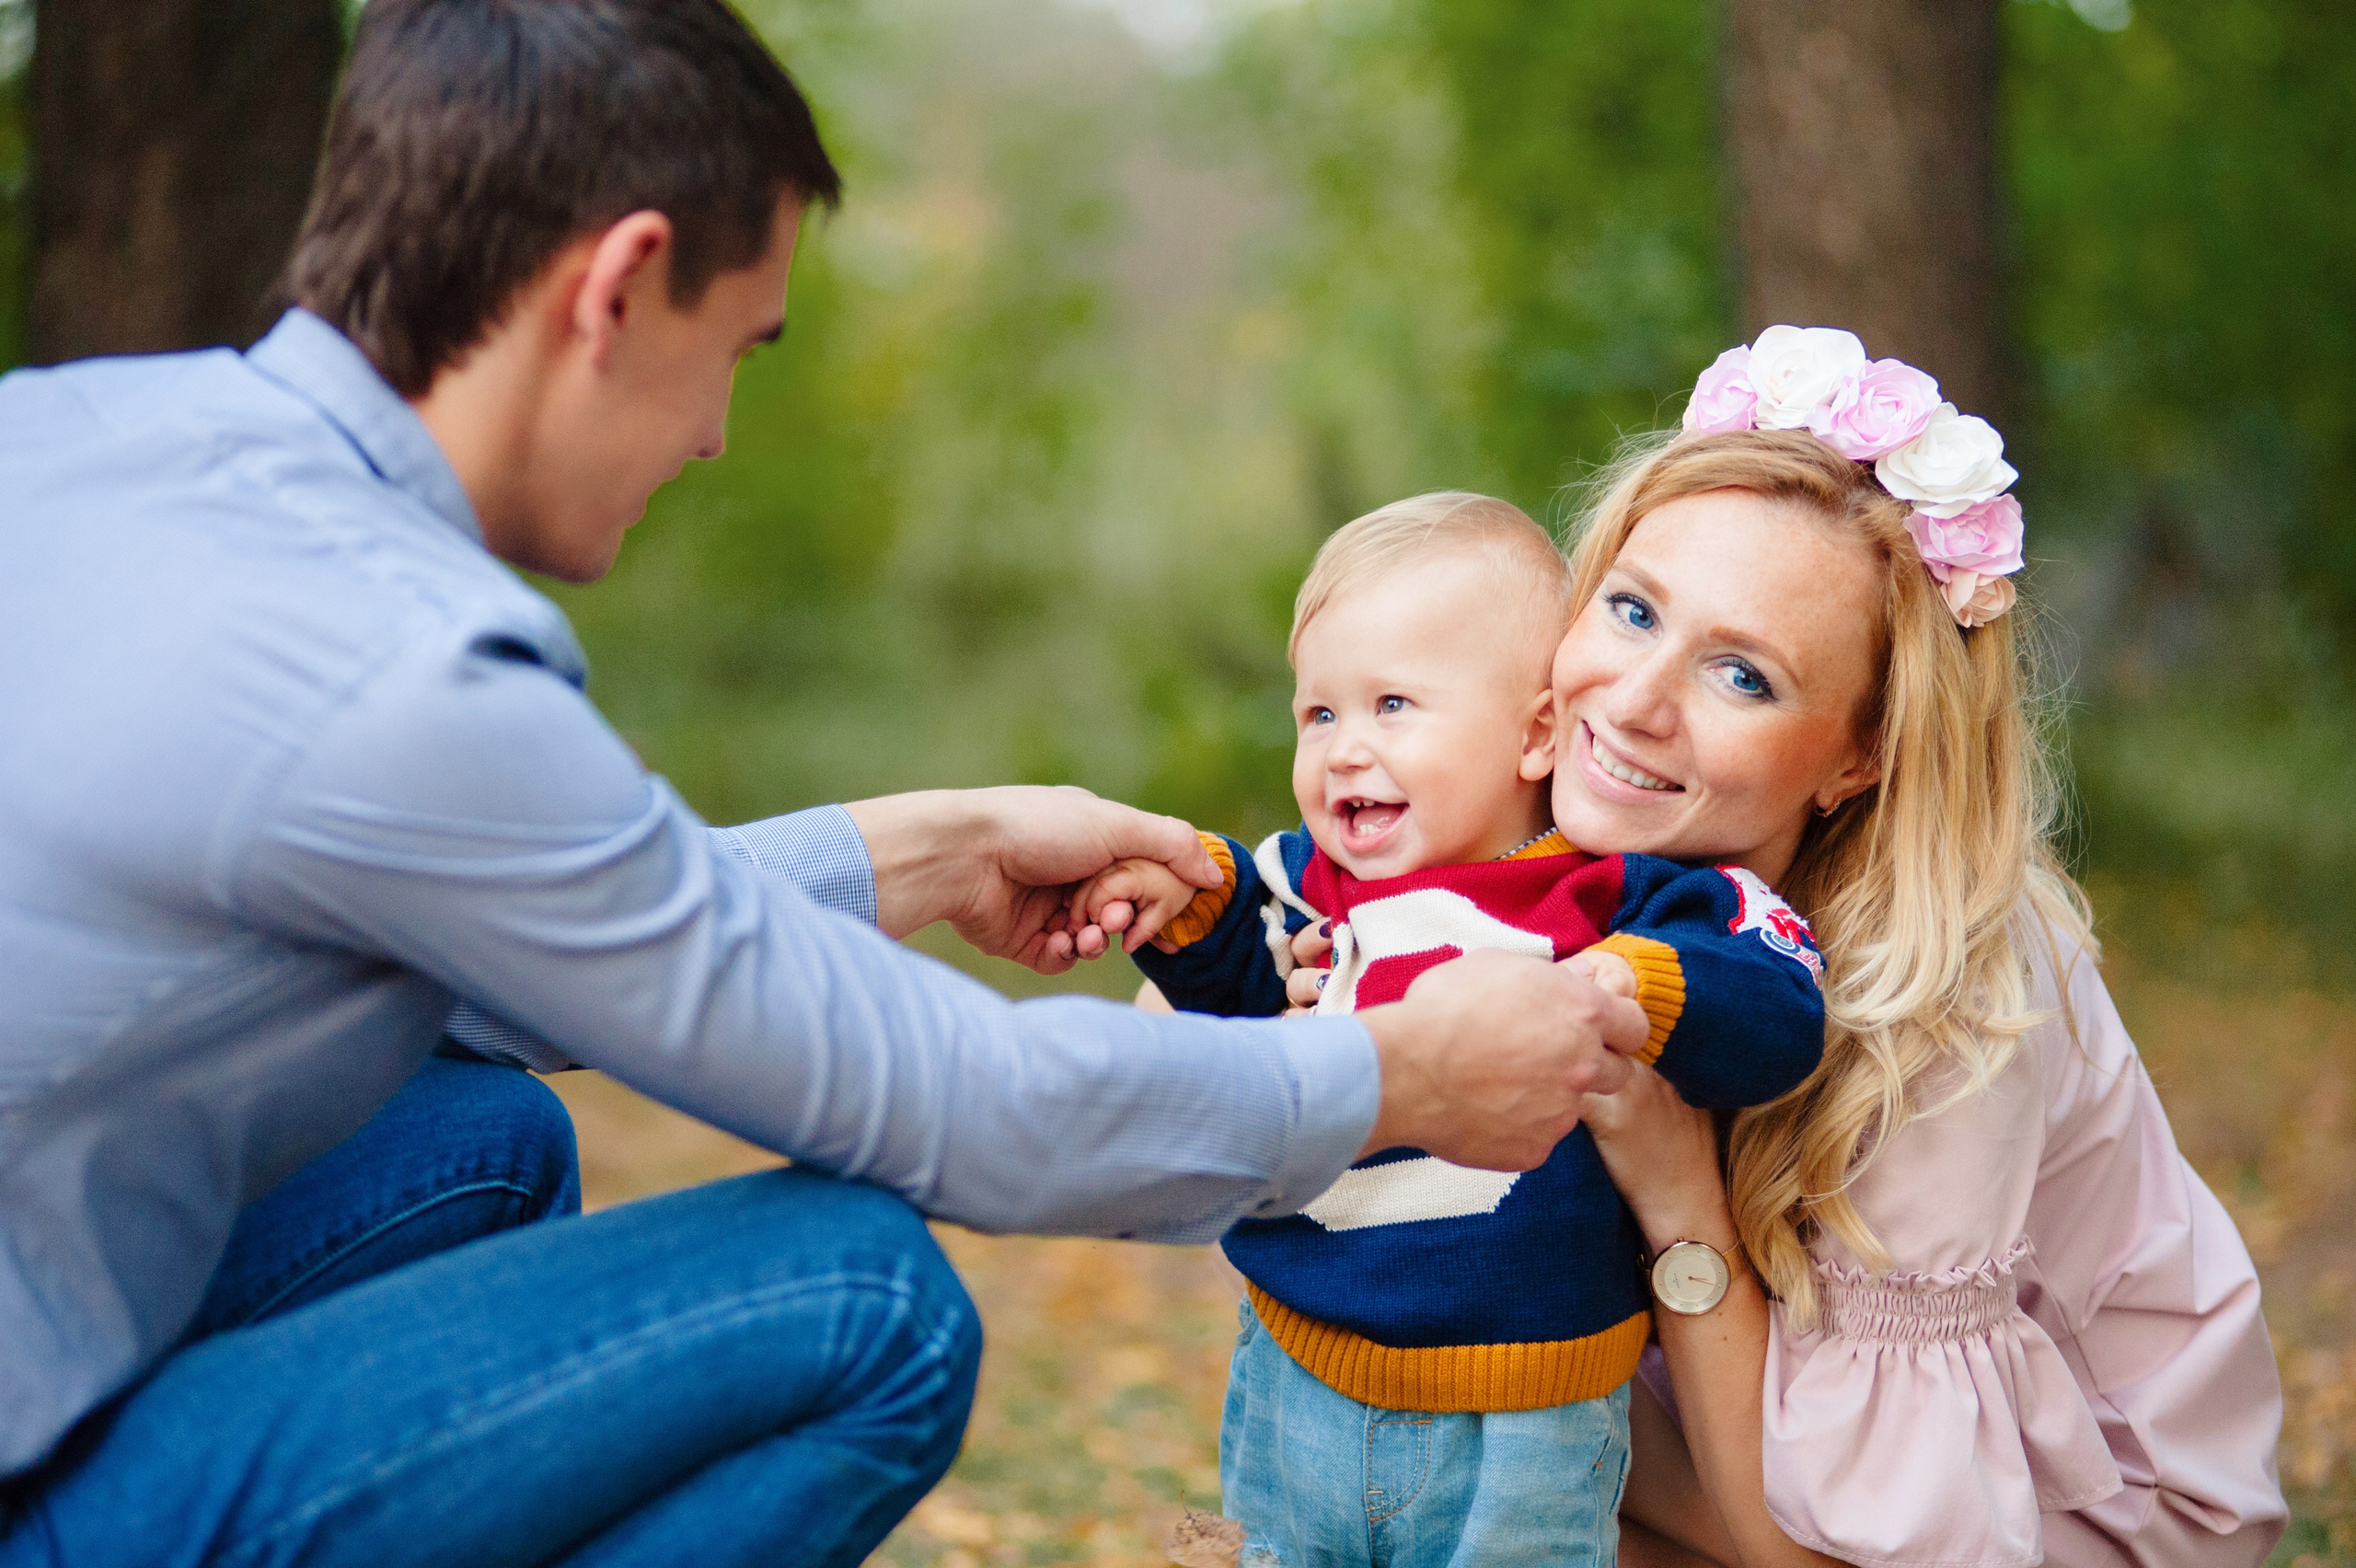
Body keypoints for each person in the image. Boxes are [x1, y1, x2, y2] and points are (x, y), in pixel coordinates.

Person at [0, 4, 1653, 1564]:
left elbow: (492, 966)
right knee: (872, 1299)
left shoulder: (67, 438)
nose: (716, 431)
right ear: (621, 284)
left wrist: (940, 840)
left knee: (477, 1131)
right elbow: (956, 1110)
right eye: (738, 346)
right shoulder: (399, 665)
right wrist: (1385, 1075)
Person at [1285, 329, 2289, 1567]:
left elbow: (1827, 1556)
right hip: (1727, 1433)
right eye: (1634, 608)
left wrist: (1672, 1182)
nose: (1635, 703)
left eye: (1743, 677)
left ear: (1862, 752)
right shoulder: (1566, 845)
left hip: (2041, 1518)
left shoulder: (1946, 1001)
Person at [1062, 492, 1830, 1564]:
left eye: (1391, 706)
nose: (1343, 750)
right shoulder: (1301, 889)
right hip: (1292, 1372)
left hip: (1522, 1420)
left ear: (1533, 734)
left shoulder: (1604, 896)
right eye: (1318, 715)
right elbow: (1230, 1006)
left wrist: (1634, 989)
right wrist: (1184, 914)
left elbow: (1777, 1004)